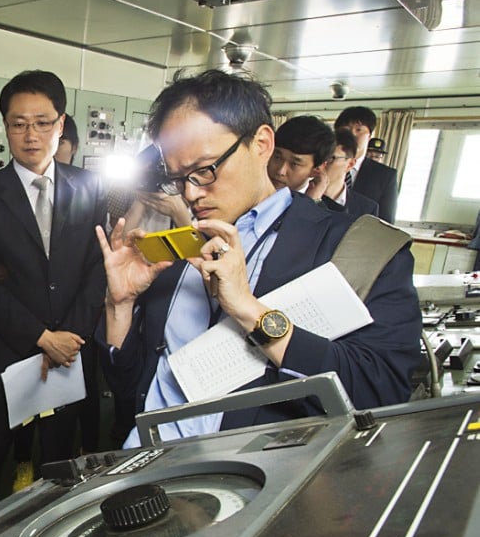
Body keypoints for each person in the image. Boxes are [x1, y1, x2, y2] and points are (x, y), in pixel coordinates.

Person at [96, 69, 420, 446]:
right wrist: (119, 306)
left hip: (254, 477)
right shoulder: (181, 248)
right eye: (178, 177)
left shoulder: (355, 250)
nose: (190, 193)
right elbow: (132, 388)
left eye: (204, 170)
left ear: (262, 143)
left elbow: (381, 392)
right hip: (145, 461)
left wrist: (250, 311)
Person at [0, 70, 107, 503]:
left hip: (69, 352)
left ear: (61, 124)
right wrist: (42, 337)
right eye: (18, 123)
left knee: (60, 464)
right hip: (7, 353)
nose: (30, 134)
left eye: (43, 122)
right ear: (5, 127)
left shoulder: (89, 186)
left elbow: (96, 268)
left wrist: (70, 339)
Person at [334, 106, 399, 222]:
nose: (352, 135)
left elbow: (386, 223)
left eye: (359, 130)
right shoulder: (322, 166)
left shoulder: (385, 176)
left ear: (369, 136)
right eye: (346, 129)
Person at [306, 127, 379, 219]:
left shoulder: (367, 209)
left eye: (329, 159)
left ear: (350, 164)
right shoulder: (297, 196)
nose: (319, 166)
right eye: (318, 159)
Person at [268, 115, 333, 194]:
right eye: (277, 157)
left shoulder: (316, 205)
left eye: (294, 164)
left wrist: (309, 203)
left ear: (317, 169)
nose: (280, 171)